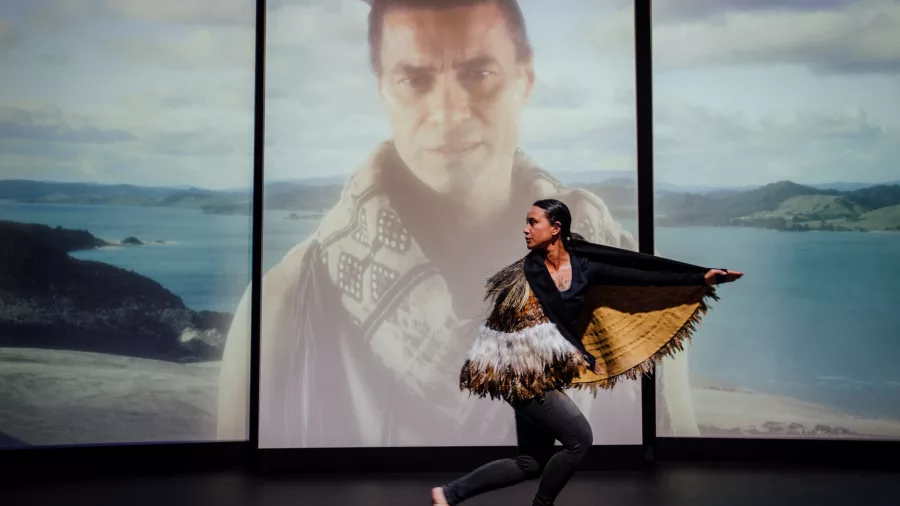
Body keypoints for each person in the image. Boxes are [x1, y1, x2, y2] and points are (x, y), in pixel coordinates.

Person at [217, 0, 699, 447]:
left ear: (525, 80)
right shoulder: (282, 308)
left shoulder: (632, 291)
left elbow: (677, 472)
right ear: (381, 90)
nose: (448, 112)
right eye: (414, 80)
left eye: (479, 71)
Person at [432, 199, 742, 506]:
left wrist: (699, 278)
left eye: (532, 222)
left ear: (556, 229)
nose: (525, 230)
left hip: (543, 376)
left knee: (530, 463)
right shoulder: (526, 275)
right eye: (526, 222)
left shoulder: (583, 267)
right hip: (520, 375)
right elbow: (504, 335)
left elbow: (642, 276)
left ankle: (449, 494)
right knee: (580, 440)